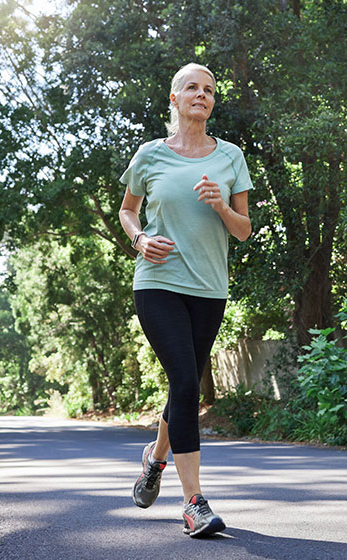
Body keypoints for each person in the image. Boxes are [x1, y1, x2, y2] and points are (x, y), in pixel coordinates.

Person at [118, 62, 252, 537]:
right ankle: (194, 503)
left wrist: (219, 204)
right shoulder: (151, 155)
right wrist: (138, 240)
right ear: (174, 100)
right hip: (157, 283)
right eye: (191, 87)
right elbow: (127, 210)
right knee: (184, 380)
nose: (202, 94)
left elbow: (243, 230)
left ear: (213, 102)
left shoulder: (231, 157)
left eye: (209, 89)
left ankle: (155, 459)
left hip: (209, 288)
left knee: (183, 386)